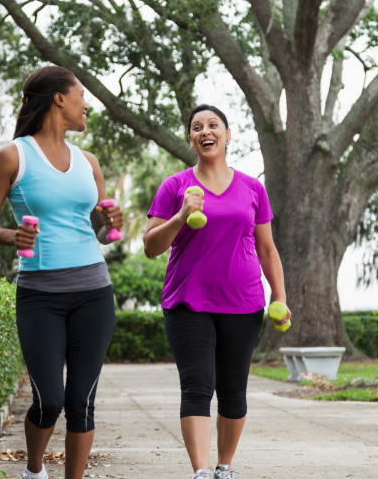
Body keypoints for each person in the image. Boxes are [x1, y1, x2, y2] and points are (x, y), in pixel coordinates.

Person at [0, 66, 123, 479]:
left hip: (94, 290)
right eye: (80, 95)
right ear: (59, 98)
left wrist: (114, 226)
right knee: (49, 399)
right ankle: (34, 470)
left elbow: (102, 233)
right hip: (41, 295)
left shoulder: (88, 161)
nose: (86, 104)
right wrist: (11, 235)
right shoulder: (12, 156)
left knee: (82, 400)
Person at [143, 104, 291, 479]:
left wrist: (280, 297)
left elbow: (267, 249)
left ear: (226, 134)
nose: (205, 131)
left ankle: (224, 466)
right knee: (196, 385)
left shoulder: (253, 188)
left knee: (232, 390)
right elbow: (150, 246)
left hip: (242, 302)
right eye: (196, 127)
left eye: (213, 125)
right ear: (191, 138)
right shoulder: (175, 186)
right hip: (187, 300)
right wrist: (180, 216)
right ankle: (201, 471)